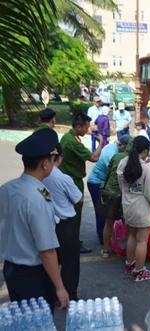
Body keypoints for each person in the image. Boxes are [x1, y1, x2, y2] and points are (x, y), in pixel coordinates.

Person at [0, 129, 70, 312]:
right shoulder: (38, 198)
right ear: (45, 164)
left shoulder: (6, 188)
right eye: (52, 160)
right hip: (33, 276)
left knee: (23, 321)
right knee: (39, 323)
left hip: (11, 270)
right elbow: (47, 251)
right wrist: (60, 287)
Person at [117, 136, 150, 281]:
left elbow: (122, 187)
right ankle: (139, 272)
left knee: (132, 236)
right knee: (142, 241)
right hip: (142, 210)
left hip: (128, 207)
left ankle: (130, 264)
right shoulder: (146, 169)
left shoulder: (123, 163)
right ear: (145, 151)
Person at [42, 144, 83, 301]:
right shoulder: (62, 178)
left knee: (51, 260)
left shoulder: (40, 176)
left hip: (48, 223)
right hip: (65, 225)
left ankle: (51, 292)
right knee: (70, 263)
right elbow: (79, 198)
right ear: (59, 158)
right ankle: (70, 295)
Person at [59, 112, 104, 254]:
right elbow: (94, 158)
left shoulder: (69, 137)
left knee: (67, 213)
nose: (87, 130)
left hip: (67, 179)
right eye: (85, 128)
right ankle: (74, 244)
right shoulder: (73, 142)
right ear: (78, 127)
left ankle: (68, 241)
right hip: (73, 181)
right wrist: (101, 143)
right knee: (75, 214)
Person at [87, 135, 132, 244]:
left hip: (104, 181)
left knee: (107, 213)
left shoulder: (117, 150)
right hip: (97, 182)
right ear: (120, 145)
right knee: (103, 212)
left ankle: (108, 236)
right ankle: (103, 239)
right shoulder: (111, 154)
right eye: (126, 149)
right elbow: (115, 175)